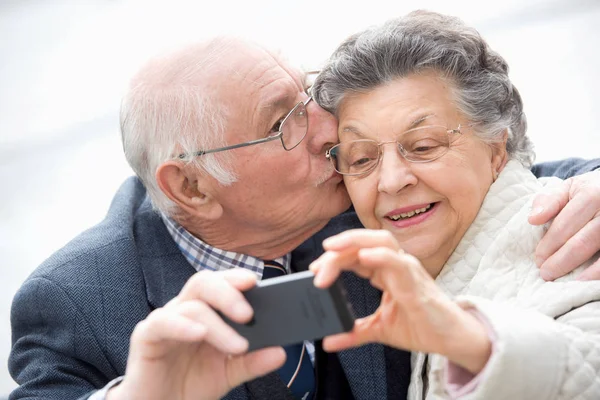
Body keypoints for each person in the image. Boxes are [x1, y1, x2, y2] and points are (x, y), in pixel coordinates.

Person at [7, 35, 600, 400]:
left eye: (305, 96)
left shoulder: (357, 192)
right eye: (281, 124)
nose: (329, 132)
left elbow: (486, 170)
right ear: (191, 186)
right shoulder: (77, 302)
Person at [308, 10, 600, 399]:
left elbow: (586, 364)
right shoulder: (342, 257)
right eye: (362, 159)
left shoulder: (577, 237)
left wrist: (477, 345)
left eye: (424, 146)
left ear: (497, 149)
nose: (392, 181)